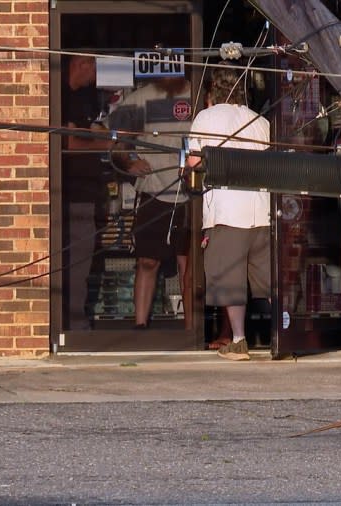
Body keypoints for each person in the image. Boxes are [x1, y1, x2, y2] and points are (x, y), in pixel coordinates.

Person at [186, 65, 271, 361]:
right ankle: (284, 333)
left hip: (226, 210)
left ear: (212, 95)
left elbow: (194, 163)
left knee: (231, 277)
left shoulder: (206, 118)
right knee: (267, 277)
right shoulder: (260, 120)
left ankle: (238, 340)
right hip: (261, 211)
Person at [110, 77, 193, 329]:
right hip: (153, 190)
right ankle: (140, 326)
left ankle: (191, 329)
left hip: (191, 193)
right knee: (147, 261)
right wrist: (128, 163)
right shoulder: (139, 98)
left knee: (188, 266)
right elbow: (116, 141)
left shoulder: (199, 91)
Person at [62, 55, 110, 331]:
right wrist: (107, 146)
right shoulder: (67, 97)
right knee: (78, 261)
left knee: (81, 260)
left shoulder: (82, 98)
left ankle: (73, 321)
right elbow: (71, 143)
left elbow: (85, 133)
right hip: (73, 193)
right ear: (80, 64)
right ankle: (74, 325)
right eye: (93, 64)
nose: (95, 72)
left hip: (84, 192)